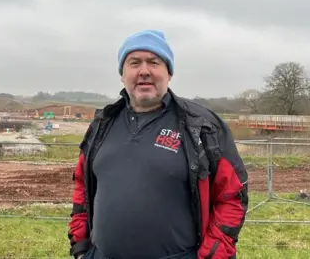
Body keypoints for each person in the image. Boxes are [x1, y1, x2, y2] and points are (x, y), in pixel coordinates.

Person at [68, 30, 249, 259]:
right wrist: (81, 245)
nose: (144, 70)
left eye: (154, 62)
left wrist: (214, 254)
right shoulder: (102, 124)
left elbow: (232, 196)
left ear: (169, 73)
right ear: (122, 74)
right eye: (134, 63)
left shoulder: (202, 126)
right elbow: (82, 186)